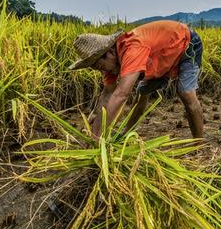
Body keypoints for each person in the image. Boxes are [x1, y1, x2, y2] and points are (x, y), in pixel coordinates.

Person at [69, 20, 204, 141]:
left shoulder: (132, 49)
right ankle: (126, 133)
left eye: (99, 66)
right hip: (159, 57)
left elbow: (121, 94)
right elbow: (107, 94)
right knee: (142, 93)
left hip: (185, 43)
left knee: (186, 93)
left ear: (109, 53)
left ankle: (198, 145)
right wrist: (96, 122)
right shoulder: (110, 63)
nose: (102, 71)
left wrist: (97, 137)